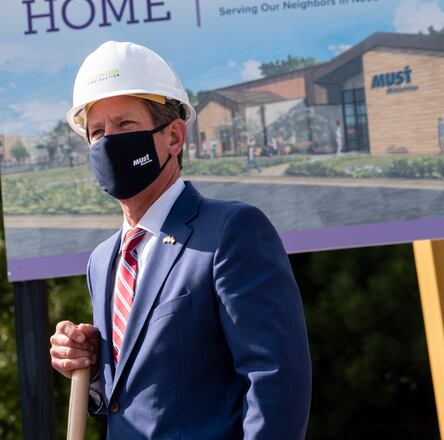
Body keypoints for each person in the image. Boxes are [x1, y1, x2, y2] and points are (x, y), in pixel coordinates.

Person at [48, 41, 311, 439]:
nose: (107, 142)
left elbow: (275, 380)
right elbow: (132, 397)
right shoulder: (102, 261)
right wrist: (91, 369)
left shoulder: (231, 230)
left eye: (125, 126)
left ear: (173, 137)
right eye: (96, 131)